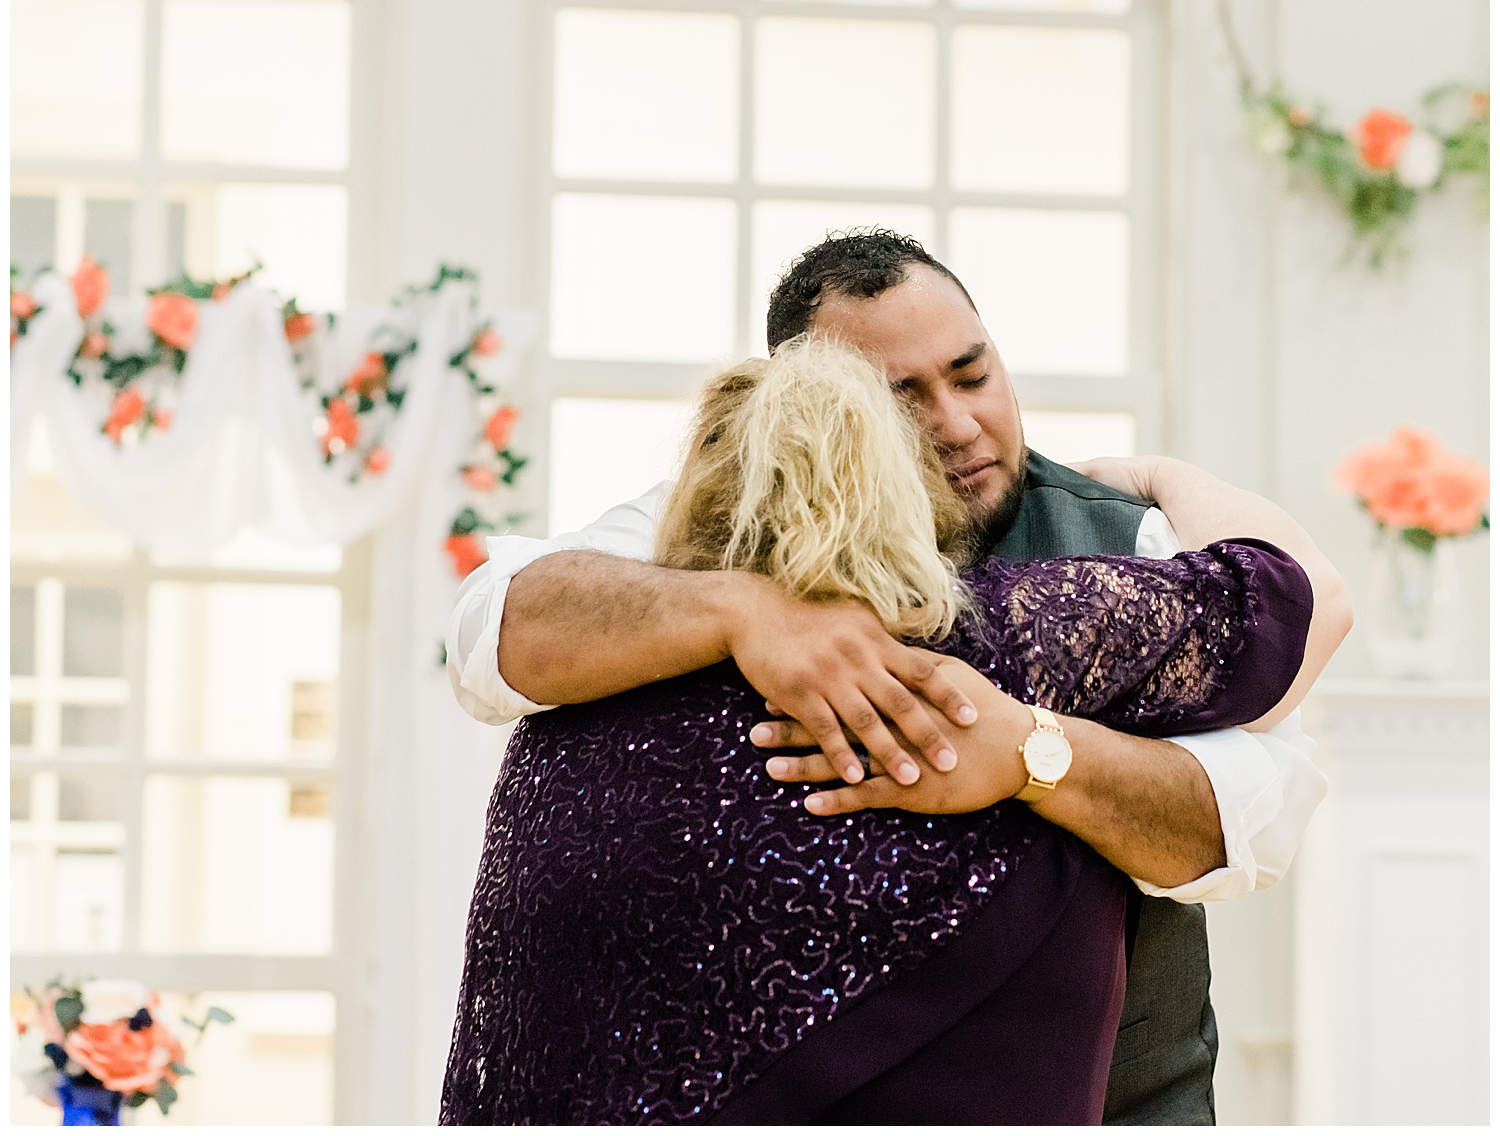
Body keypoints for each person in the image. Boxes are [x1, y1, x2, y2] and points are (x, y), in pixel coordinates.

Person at [446, 230, 1349, 1123]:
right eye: (903, 397)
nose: (959, 426)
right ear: (804, 406)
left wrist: (1036, 756)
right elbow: (495, 625)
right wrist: (746, 610)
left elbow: (1248, 824)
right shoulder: (722, 508)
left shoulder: (1131, 548)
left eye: (972, 373)